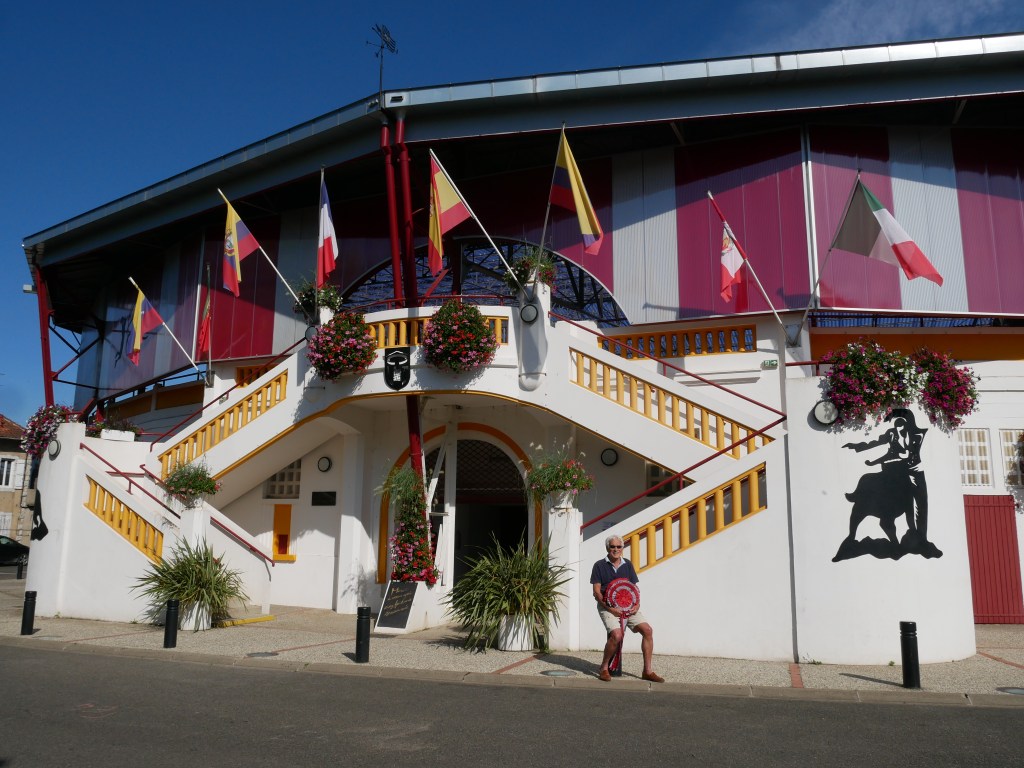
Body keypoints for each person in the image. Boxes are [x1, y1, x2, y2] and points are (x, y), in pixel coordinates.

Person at [590, 535, 663, 682]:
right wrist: (610, 609)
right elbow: (596, 592)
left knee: (647, 630)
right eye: (612, 546)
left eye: (619, 547)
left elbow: (634, 588)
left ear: (622, 548)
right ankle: (604, 668)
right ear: (607, 548)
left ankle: (647, 671)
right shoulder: (599, 565)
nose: (616, 549)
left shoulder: (628, 564)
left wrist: (637, 605)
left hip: (628, 607)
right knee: (617, 635)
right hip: (608, 607)